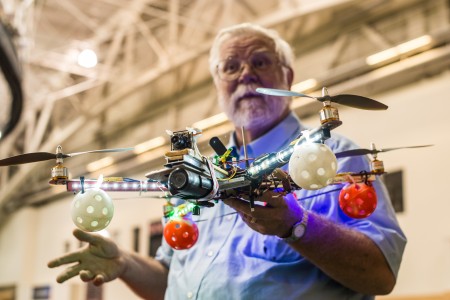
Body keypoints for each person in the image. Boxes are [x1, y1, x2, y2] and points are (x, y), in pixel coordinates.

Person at [48, 23, 406, 299]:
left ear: (289, 77)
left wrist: (294, 225)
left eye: (260, 62)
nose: (245, 74)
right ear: (218, 84)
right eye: (230, 66)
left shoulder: (333, 158)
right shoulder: (197, 177)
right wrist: (124, 263)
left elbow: (380, 273)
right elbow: (176, 282)